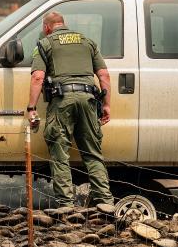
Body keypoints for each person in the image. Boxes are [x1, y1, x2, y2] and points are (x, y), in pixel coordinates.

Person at [27, 12, 113, 208]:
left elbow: (38, 78)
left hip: (62, 100)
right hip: (89, 99)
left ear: (47, 27)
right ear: (63, 24)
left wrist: (31, 107)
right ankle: (105, 203)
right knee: (92, 153)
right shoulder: (87, 42)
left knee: (60, 153)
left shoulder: (45, 43)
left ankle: (66, 205)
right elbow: (104, 75)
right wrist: (107, 105)